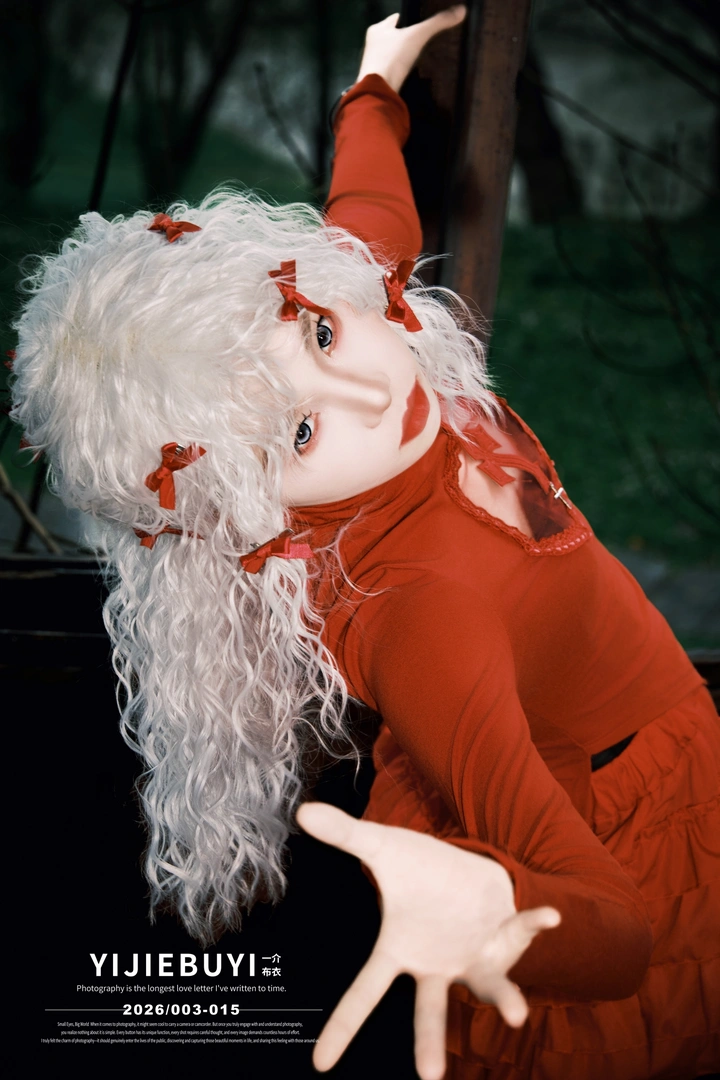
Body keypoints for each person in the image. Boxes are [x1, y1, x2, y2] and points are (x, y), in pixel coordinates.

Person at [11, 8, 718, 1079]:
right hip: (606, 812)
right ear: (250, 508)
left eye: (319, 331)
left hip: (612, 736)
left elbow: (368, 215)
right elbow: (616, 933)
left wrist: (375, 80)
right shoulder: (425, 621)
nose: (373, 387)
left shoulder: (372, 318)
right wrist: (498, 910)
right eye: (299, 433)